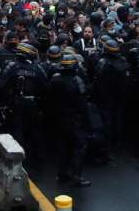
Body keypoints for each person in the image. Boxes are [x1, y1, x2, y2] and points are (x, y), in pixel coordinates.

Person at [47, 54, 92, 187]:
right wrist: (87, 122)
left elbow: (49, 99)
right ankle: (77, 176)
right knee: (79, 147)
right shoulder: (77, 81)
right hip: (75, 120)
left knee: (63, 147)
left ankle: (62, 174)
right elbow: (83, 105)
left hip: (59, 119)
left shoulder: (55, 80)